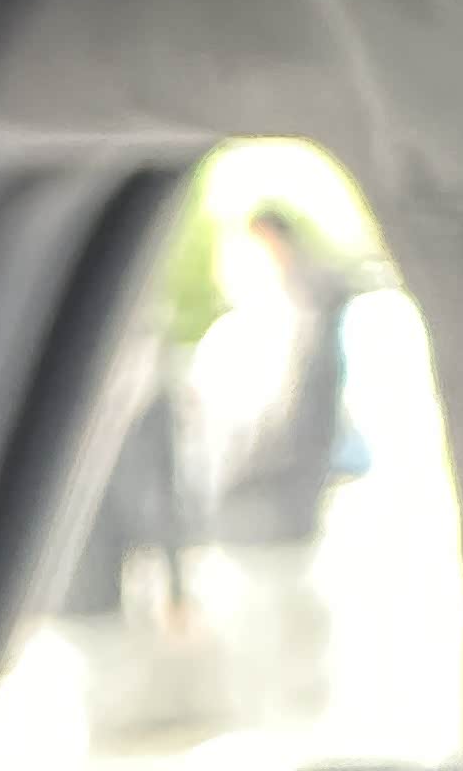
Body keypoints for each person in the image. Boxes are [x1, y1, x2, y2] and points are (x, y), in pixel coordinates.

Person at [184, 206, 351, 728]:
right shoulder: (243, 336)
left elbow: (294, 430)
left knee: (285, 665)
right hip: (250, 522)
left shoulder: (294, 328)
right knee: (263, 664)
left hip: (274, 517)